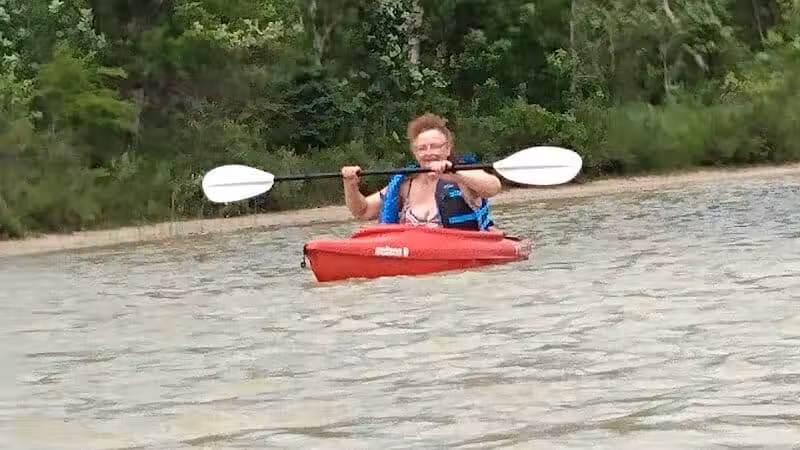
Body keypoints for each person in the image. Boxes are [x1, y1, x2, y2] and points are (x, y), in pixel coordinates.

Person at [340, 113, 502, 231]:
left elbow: (493, 187)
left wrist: (455, 174)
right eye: (422, 148)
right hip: (414, 255)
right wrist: (350, 184)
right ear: (415, 153)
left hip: (461, 256)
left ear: (447, 148)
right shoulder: (405, 185)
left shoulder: (463, 177)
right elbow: (362, 211)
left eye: (435, 146)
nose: (429, 152)